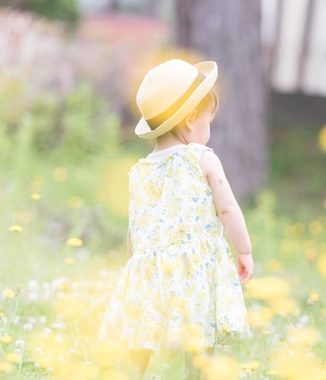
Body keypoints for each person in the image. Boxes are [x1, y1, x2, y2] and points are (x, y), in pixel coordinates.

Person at [98, 58, 254, 379]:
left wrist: (138, 265)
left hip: (149, 269)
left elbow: (135, 226)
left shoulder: (140, 170)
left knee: (141, 337)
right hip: (192, 270)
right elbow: (228, 208)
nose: (209, 132)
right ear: (190, 120)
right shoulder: (203, 159)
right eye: (209, 122)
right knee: (197, 339)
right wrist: (244, 250)